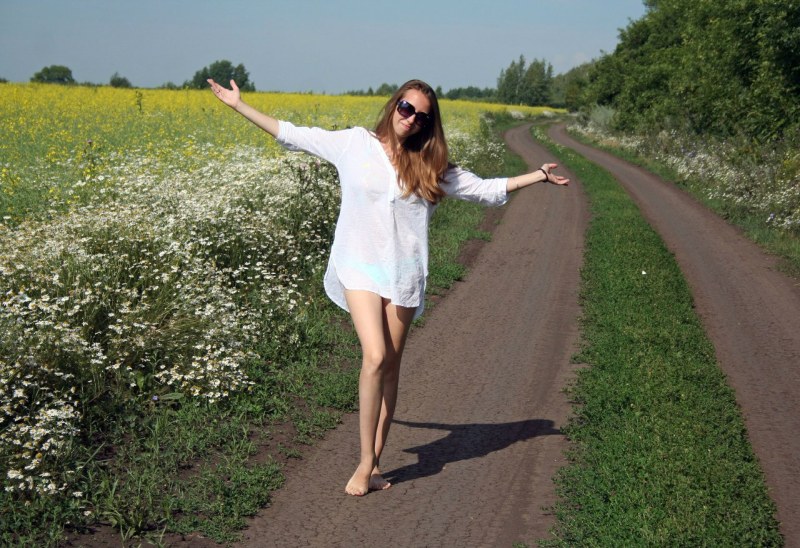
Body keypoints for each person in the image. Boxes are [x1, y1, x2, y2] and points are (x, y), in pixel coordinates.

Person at [207, 78, 569, 496]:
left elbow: (484, 190)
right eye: (406, 108)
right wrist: (239, 106)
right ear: (393, 106)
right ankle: (364, 464)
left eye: (422, 116)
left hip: (403, 274)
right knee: (375, 357)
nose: (411, 119)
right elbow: (292, 133)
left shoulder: (429, 165)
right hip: (358, 266)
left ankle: (375, 464)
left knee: (391, 368)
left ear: (429, 125)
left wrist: (537, 176)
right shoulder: (353, 144)